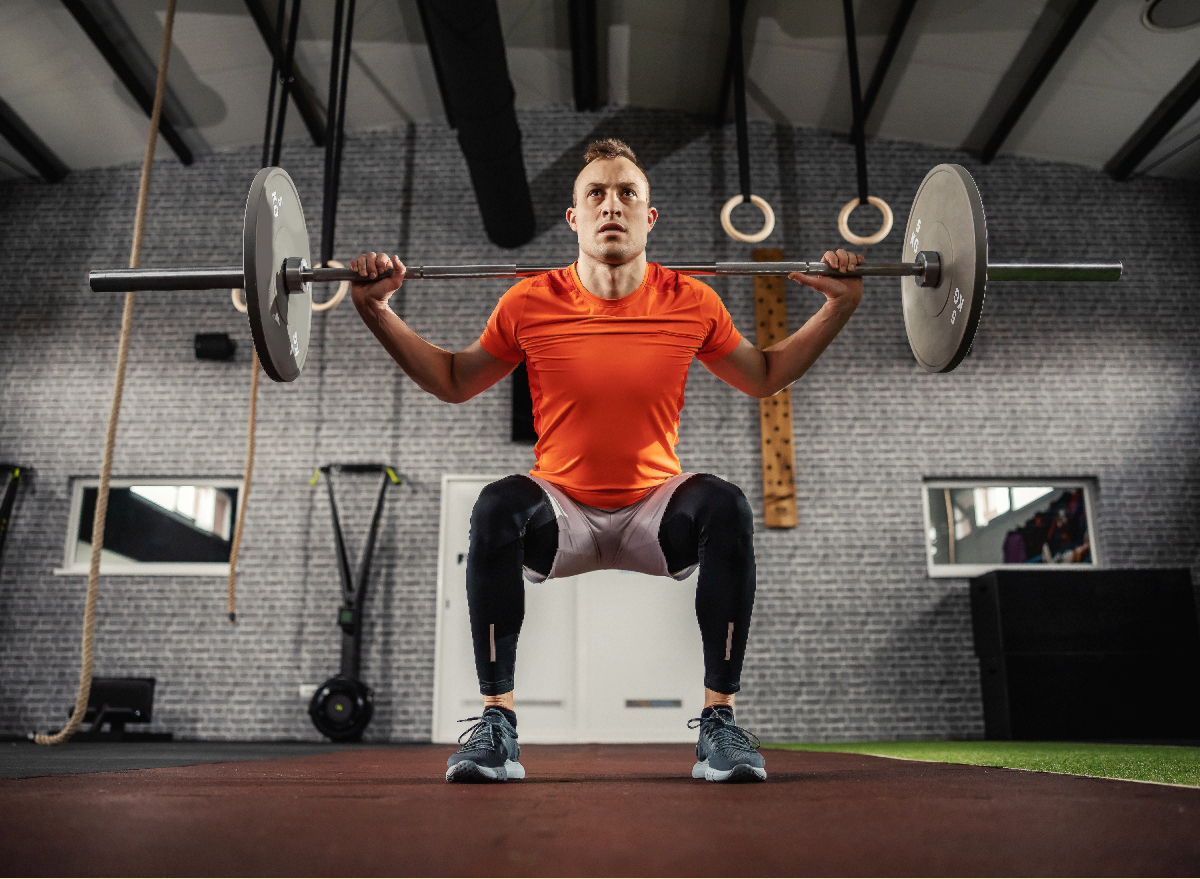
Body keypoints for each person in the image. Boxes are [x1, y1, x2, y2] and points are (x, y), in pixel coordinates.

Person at [351, 139, 863, 783]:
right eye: (596, 193)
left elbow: (763, 376)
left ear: (651, 218)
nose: (611, 205)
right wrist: (375, 309)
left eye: (628, 194)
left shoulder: (693, 300)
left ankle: (719, 724)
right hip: (558, 514)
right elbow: (455, 379)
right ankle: (497, 727)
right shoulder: (529, 302)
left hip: (656, 513)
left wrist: (837, 305)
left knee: (726, 503)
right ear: (574, 217)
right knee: (496, 505)